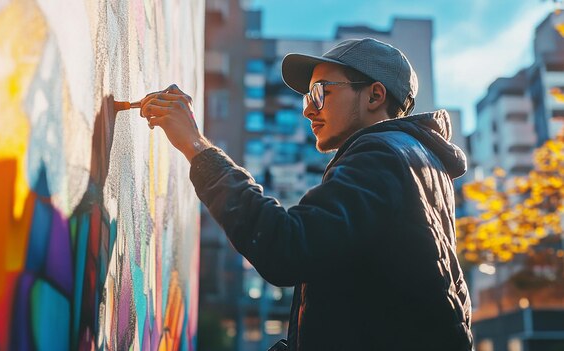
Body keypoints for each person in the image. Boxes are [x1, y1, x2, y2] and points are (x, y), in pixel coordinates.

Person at [140, 38, 473, 351]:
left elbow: (287, 247)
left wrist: (197, 148)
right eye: (307, 98)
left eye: (320, 92)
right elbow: (377, 301)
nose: (308, 110)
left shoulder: (380, 155)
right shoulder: (421, 164)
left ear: (374, 96)